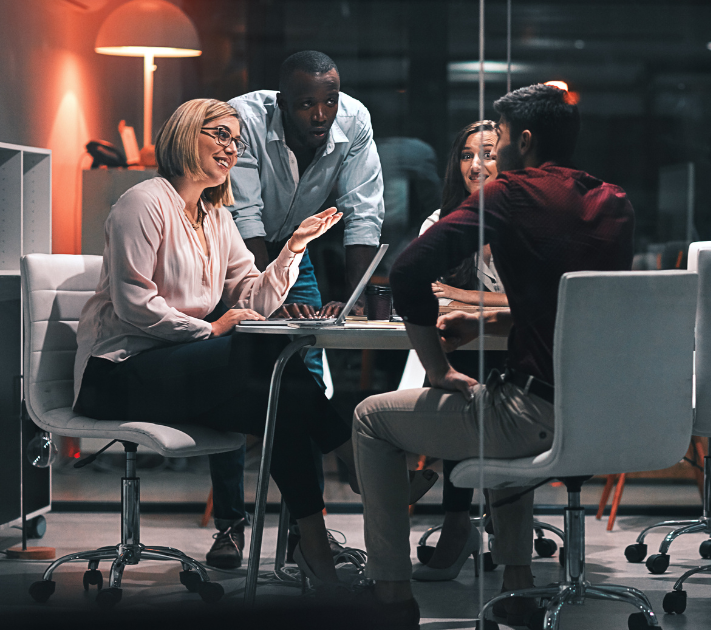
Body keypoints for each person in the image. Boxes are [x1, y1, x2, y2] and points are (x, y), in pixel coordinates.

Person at [353, 84, 635, 627]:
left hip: (534, 415)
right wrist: (487, 320)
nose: (492, 153)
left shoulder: (509, 193)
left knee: (371, 420)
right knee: (500, 390)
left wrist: (436, 367)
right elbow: (576, 306)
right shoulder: (615, 201)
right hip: (604, 414)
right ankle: (517, 582)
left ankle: (390, 593)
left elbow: (410, 272)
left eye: (499, 139)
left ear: (523, 141)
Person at [72, 98, 353, 590]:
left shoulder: (216, 218)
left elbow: (254, 297)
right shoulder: (143, 203)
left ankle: (314, 545)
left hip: (180, 368)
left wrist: (294, 248)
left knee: (280, 409)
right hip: (118, 372)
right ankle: (354, 461)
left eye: (236, 139)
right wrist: (213, 328)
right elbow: (135, 303)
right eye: (220, 134)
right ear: (185, 135)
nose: (232, 147)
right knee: (265, 354)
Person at [205, 50, 385, 569]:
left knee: (301, 376)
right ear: (282, 102)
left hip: (296, 246)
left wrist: (353, 303)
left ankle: (301, 533)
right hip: (236, 248)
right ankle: (230, 528)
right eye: (307, 104)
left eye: (328, 101)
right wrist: (268, 301)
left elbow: (363, 212)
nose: (321, 114)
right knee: (246, 374)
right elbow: (247, 218)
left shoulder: (354, 121)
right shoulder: (243, 120)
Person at [411, 120, 508, 582]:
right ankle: (460, 522)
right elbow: (429, 293)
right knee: (459, 380)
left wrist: (467, 299)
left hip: (524, 354)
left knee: (482, 386)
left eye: (488, 153)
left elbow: (541, 302)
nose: (476, 164)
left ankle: (481, 524)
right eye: (468, 155)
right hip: (465, 353)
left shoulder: (524, 218)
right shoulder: (442, 223)